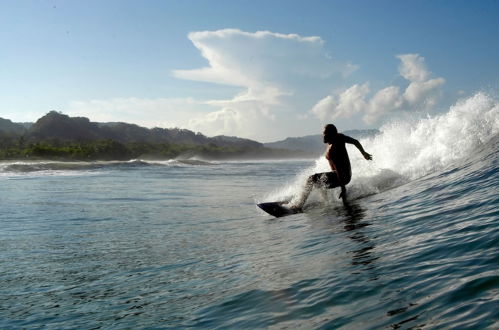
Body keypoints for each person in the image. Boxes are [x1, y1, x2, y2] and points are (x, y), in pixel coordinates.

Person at [291, 124, 372, 209]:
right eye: (323, 133)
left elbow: (339, 169)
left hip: (341, 176)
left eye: (325, 134)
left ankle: (299, 206)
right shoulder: (339, 138)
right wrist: (364, 153)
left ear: (332, 135)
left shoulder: (333, 148)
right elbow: (355, 141)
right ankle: (325, 202)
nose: (323, 136)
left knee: (312, 179)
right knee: (320, 180)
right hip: (341, 175)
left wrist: (343, 189)